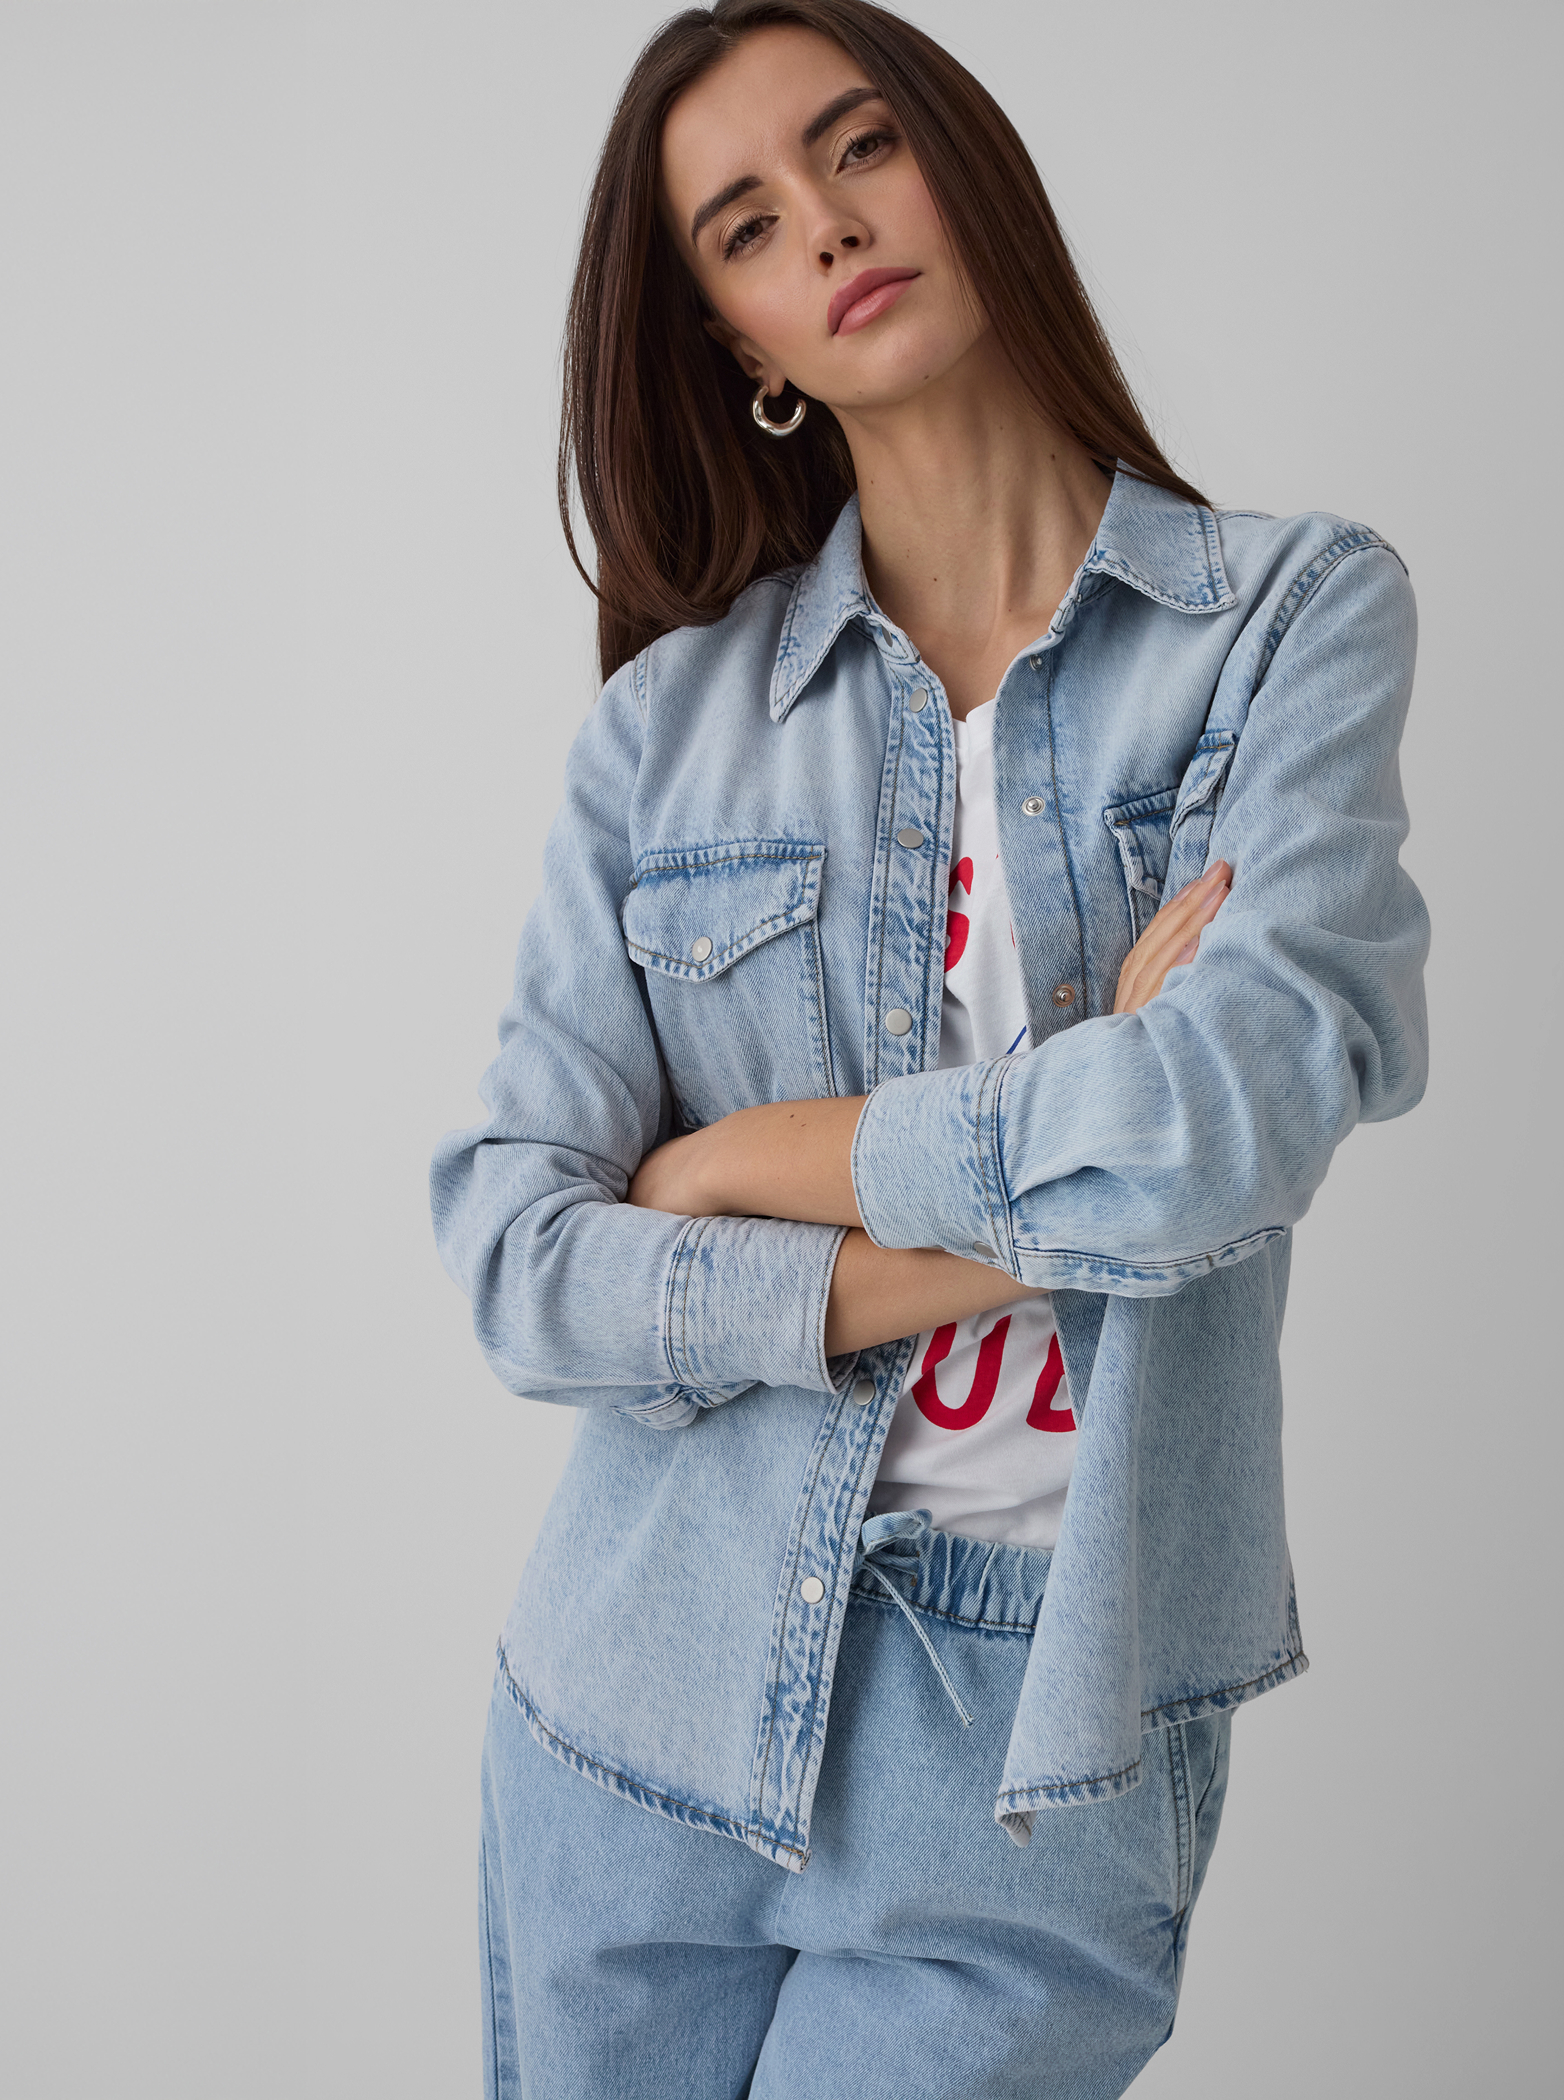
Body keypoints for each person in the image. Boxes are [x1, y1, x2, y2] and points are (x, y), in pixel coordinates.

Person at [429, 2, 1429, 2092]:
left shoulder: (1282, 624)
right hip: (635, 1700)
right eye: (743, 224)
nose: (823, 223)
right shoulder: (666, 729)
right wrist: (1043, 1202)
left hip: (1033, 1746)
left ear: (963, 165)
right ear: (743, 343)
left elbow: (1235, 1110)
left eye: (860, 144)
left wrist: (740, 1163)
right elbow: (521, 1260)